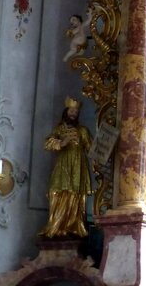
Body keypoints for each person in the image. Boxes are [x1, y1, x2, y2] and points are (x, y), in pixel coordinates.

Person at [41, 97, 92, 237]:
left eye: (76, 111)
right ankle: (56, 226)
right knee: (57, 192)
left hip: (78, 167)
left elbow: (91, 148)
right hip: (63, 165)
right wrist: (61, 143)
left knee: (75, 194)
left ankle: (74, 226)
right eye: (71, 110)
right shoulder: (59, 129)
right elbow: (47, 143)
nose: (74, 113)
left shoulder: (82, 131)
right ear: (66, 111)